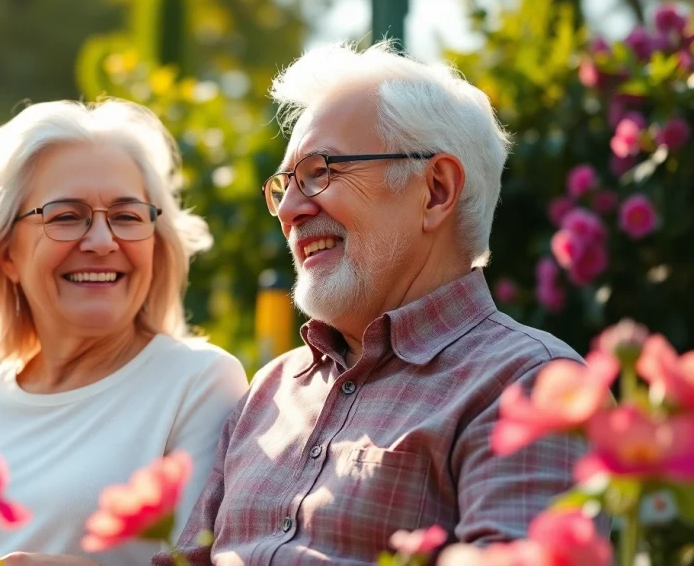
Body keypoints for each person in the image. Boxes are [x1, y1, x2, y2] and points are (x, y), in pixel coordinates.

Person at [155, 41, 610, 566]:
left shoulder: (529, 387)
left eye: (320, 171)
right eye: (284, 186)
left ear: (436, 190)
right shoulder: (269, 391)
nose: (290, 211)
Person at [0, 99, 248, 566]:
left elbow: (205, 561)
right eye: (66, 216)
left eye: (126, 217)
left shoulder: (199, 382)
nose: (103, 242)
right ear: (7, 254)